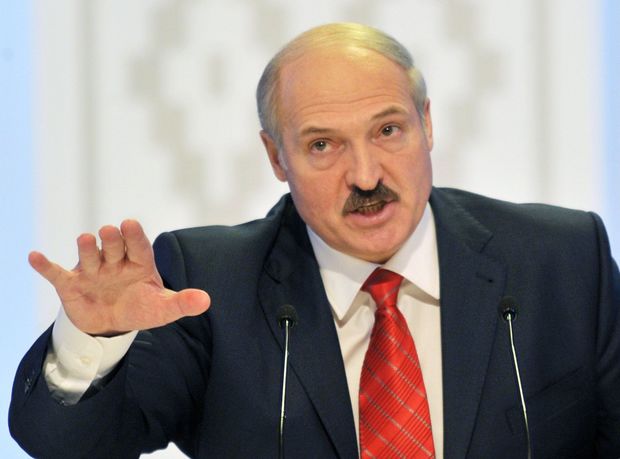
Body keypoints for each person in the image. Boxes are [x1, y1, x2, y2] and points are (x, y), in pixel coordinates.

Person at [9, 22, 620, 459]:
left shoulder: (562, 259)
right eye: (322, 145)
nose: (366, 176)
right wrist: (93, 340)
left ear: (427, 123)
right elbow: (73, 446)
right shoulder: (210, 282)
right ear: (276, 156)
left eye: (388, 130)